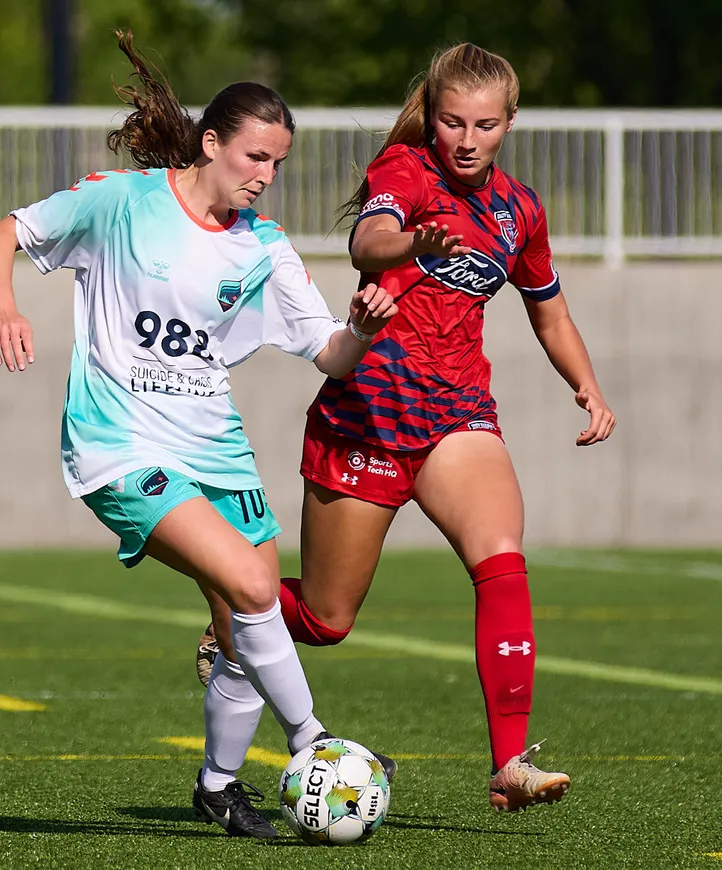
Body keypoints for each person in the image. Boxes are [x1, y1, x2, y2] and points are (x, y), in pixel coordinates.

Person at [0, 30, 398, 839]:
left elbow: (333, 358)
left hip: (216, 447)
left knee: (247, 622)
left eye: (278, 163)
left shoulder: (264, 249)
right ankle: (315, 741)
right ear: (211, 143)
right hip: (119, 443)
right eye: (254, 157)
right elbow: (7, 233)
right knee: (252, 587)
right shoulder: (121, 200)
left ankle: (218, 785)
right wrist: (3, 303)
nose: (265, 177)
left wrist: (363, 325)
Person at [196, 42, 617, 813]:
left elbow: (547, 308)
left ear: (509, 122)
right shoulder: (405, 171)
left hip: (458, 417)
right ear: (434, 113)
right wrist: (415, 243)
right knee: (325, 620)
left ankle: (510, 761)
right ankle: (234, 612)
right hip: (367, 418)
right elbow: (366, 243)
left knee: (502, 559)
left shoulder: (518, 209)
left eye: (484, 125)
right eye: (452, 120)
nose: (466, 138)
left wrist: (586, 385)